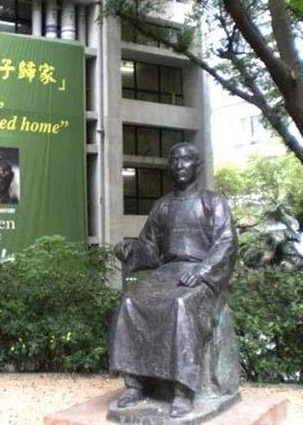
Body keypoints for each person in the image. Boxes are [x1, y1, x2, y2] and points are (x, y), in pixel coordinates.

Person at [108, 142, 237, 418]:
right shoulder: (162, 206)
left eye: (186, 159)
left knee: (180, 304)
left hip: (200, 272)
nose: (179, 165)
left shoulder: (212, 201)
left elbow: (226, 242)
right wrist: (132, 249)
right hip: (167, 272)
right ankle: (135, 383)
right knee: (130, 301)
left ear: (197, 166)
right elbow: (150, 246)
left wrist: (202, 270)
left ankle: (183, 389)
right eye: (174, 160)